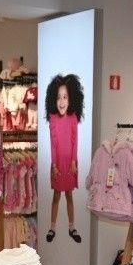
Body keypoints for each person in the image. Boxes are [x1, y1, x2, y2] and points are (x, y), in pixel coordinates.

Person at [45, 74, 84, 243]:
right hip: (58, 164)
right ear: (53, 99)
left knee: (69, 195)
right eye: (58, 97)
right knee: (56, 195)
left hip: (70, 163)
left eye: (65, 97)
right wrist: (53, 165)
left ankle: (71, 227)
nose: (61, 101)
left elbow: (75, 141)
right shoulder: (53, 119)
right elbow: (52, 144)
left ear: (71, 99)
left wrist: (74, 161)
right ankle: (52, 227)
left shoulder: (73, 118)